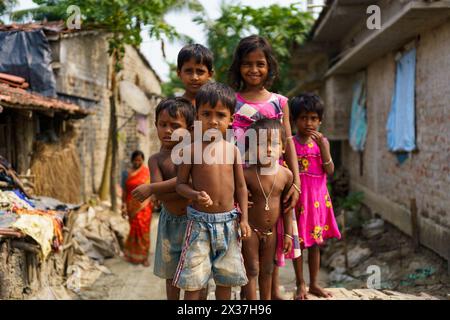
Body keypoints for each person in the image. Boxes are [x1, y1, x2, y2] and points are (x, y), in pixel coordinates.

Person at [228, 34, 301, 299]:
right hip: (242, 180)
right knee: (245, 252)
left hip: (273, 179)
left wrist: (297, 182)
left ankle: (272, 295)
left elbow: (289, 142)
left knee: (273, 237)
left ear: (269, 66)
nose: (254, 69)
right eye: (247, 63)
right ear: (239, 66)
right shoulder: (232, 101)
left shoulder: (280, 102)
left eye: (260, 63)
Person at [174, 82, 251, 300]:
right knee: (193, 281)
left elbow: (241, 187)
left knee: (225, 280)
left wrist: (244, 219)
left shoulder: (233, 151)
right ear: (197, 117)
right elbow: (180, 184)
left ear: (231, 120)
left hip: (229, 223)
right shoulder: (190, 151)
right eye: (206, 114)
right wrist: (194, 194)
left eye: (220, 115)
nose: (213, 121)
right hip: (199, 223)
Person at [132, 97, 195, 299]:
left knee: (196, 275)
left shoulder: (191, 154)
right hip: (169, 223)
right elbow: (167, 192)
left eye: (175, 126)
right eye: (163, 125)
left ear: (189, 129)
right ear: (156, 125)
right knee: (172, 274)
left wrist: (151, 187)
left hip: (193, 221)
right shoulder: (155, 159)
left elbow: (191, 183)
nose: (168, 130)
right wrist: (177, 186)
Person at [290, 93, 341, 299]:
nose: (308, 123)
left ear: (320, 120)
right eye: (303, 118)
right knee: (298, 243)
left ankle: (314, 284)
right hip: (298, 199)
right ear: (294, 121)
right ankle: (300, 284)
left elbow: (330, 171)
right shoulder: (290, 143)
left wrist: (325, 149)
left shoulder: (322, 142)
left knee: (316, 243)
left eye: (313, 118)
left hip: (318, 200)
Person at [242, 119, 296, 300]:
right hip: (250, 229)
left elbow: (288, 207)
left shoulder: (286, 175)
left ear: (282, 148)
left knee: (267, 270)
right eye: (261, 144)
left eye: (273, 143)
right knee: (251, 269)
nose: (268, 149)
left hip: (272, 231)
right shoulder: (246, 174)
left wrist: (288, 234)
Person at [121, 150, 153, 266]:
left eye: (139, 160)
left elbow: (151, 188)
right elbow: (124, 190)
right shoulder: (126, 173)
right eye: (135, 160)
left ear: (143, 160)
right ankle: (132, 255)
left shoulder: (147, 172)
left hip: (145, 207)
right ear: (132, 161)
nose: (137, 162)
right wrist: (123, 205)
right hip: (131, 207)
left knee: (144, 230)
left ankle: (144, 257)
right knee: (134, 230)